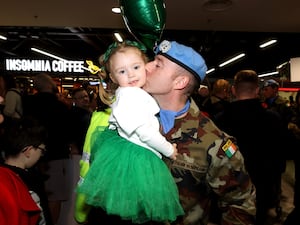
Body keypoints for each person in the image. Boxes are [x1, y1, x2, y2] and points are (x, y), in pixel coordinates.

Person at [143, 40, 256, 225]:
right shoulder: (131, 120)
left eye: (158, 64)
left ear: (180, 82)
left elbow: (240, 204)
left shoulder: (214, 142)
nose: (146, 67)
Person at [75, 40, 183, 224]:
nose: (131, 74)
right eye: (122, 71)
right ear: (114, 77)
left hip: (128, 153)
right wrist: (168, 150)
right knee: (135, 207)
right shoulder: (131, 96)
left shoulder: (131, 93)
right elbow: (145, 133)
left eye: (135, 67)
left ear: (145, 67)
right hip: (136, 158)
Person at [214, 70, 287, 224]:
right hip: (263, 185)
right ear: (257, 90)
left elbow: (217, 154)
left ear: (233, 90)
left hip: (230, 185)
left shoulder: (220, 121)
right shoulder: (272, 119)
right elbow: (282, 153)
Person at [23, 73, 72, 225]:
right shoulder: (60, 106)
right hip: (57, 154)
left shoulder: (28, 103)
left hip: (31, 154)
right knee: (55, 197)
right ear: (50, 85)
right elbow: (68, 130)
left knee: (35, 195)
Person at [0, 117, 48, 225]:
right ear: (28, 151)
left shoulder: (3, 177)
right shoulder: (29, 182)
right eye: (42, 150)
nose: (41, 155)